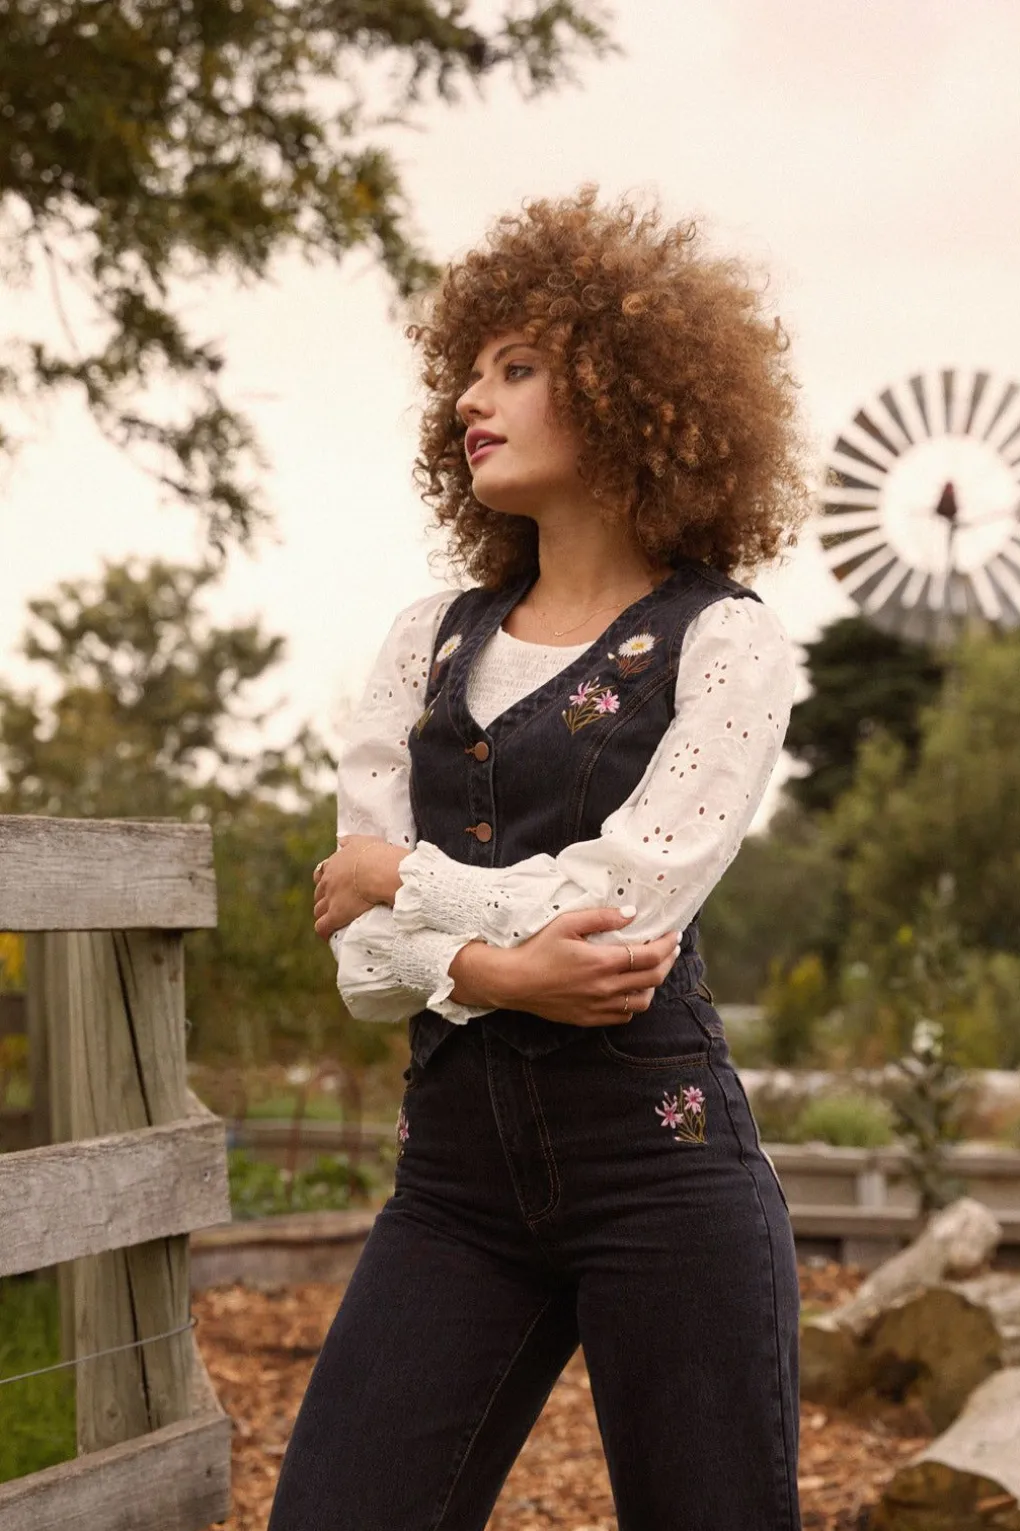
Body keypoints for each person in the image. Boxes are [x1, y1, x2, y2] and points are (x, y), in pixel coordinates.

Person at [269, 186, 809, 1531]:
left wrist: (405, 884)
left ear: (631, 398)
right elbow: (360, 963)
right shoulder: (425, 639)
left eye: (516, 367)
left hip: (663, 1178)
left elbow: (618, 913)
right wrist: (498, 969)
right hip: (452, 1186)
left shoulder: (727, 642)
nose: (471, 397)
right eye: (467, 373)